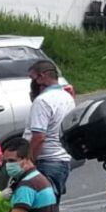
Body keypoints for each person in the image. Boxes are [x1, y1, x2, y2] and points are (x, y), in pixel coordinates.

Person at [24, 61, 75, 201]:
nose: (31, 83)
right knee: (50, 209)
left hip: (47, 162)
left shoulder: (42, 101)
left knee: (42, 211)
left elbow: (39, 137)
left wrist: (29, 162)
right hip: (61, 161)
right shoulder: (66, 96)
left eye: (32, 78)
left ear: (41, 77)